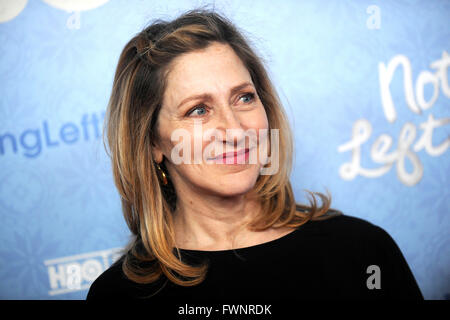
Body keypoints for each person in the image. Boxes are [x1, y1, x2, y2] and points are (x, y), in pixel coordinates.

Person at [87, 8, 423, 302]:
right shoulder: (118, 294)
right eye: (199, 109)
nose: (235, 131)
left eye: (244, 98)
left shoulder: (362, 251)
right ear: (153, 144)